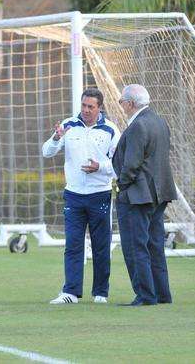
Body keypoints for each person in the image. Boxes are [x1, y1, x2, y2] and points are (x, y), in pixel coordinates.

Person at [42, 88, 121, 304]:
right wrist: (57, 138)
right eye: (83, 105)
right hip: (74, 195)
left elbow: (120, 165)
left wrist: (100, 167)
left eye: (90, 107)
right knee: (73, 244)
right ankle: (70, 292)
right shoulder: (68, 125)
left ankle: (101, 293)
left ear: (99, 108)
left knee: (101, 246)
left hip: (100, 195)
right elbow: (46, 151)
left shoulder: (111, 130)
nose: (86, 110)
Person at [112, 84, 178, 306]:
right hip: (159, 194)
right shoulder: (159, 121)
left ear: (130, 103)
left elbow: (131, 164)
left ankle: (145, 295)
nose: (121, 106)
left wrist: (121, 184)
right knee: (154, 245)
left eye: (122, 102)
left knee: (135, 246)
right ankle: (161, 294)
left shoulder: (138, 125)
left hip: (138, 196)